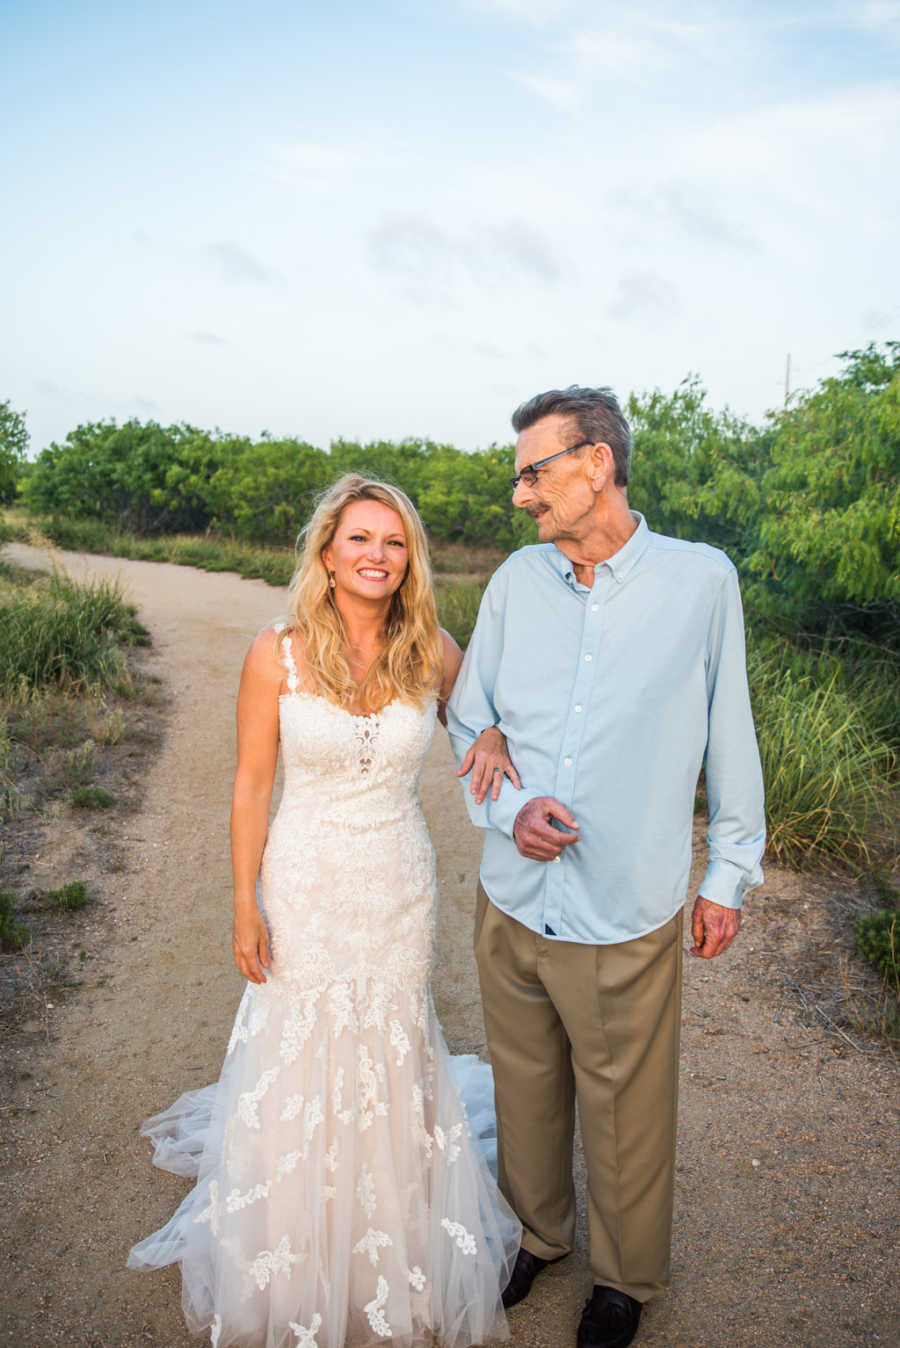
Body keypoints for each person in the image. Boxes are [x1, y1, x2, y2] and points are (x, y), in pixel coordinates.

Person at [128, 475, 523, 1348]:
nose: (378, 555)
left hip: (395, 879)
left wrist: (488, 732)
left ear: (409, 557)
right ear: (326, 552)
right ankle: (292, 1232)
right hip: (305, 877)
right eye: (360, 539)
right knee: (301, 1034)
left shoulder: (432, 647)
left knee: (391, 1033)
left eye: (394, 541)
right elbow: (252, 783)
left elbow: (489, 714)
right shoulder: (277, 652)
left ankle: (392, 1222)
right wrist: (244, 902)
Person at [447, 387, 765, 1348]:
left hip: (623, 905)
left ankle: (624, 1280)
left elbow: (729, 734)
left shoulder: (701, 580)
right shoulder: (514, 582)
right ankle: (538, 1235)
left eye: (532, 471)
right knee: (524, 1080)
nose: (519, 496)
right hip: (512, 896)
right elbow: (470, 715)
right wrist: (508, 806)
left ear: (597, 462)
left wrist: (726, 875)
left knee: (627, 1107)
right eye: (518, 476)